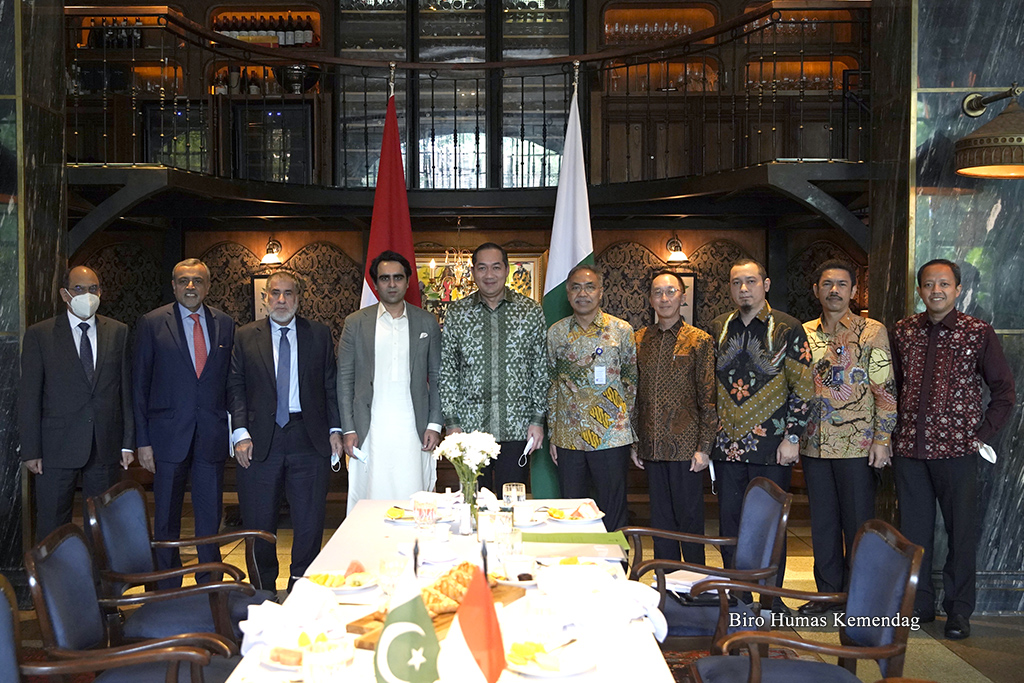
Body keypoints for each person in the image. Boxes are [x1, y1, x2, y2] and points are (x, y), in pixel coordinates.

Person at [891, 259, 1015, 640]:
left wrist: (981, 435)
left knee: (960, 533)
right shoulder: (903, 331)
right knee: (913, 534)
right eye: (929, 284)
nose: (936, 291)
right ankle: (919, 605)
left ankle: (959, 611)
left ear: (958, 290)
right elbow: (893, 386)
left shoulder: (977, 332)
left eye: (944, 284)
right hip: (910, 449)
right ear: (920, 290)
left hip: (958, 451)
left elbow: (1004, 392)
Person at [708, 258, 814, 613]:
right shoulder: (718, 327)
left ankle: (771, 598)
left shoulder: (788, 328)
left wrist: (792, 437)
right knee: (731, 525)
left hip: (772, 447)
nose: (744, 289)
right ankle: (738, 595)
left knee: (769, 525)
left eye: (751, 281)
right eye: (737, 282)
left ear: (765, 285)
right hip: (727, 447)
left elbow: (804, 389)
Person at [227, 270, 343, 592]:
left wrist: (335, 428)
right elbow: (235, 386)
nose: (281, 300)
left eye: (288, 293)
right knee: (259, 520)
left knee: (309, 520)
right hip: (259, 440)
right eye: (275, 293)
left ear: (298, 298)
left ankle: (300, 583)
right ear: (265, 298)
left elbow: (329, 385)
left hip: (309, 437)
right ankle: (263, 589)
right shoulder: (245, 336)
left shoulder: (318, 334)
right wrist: (240, 432)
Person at [798, 259, 897, 615]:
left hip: (858, 445)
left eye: (842, 284)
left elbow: (885, 389)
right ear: (816, 290)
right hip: (814, 445)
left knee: (857, 525)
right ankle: (827, 595)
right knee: (823, 525)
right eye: (827, 284)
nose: (834, 291)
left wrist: (882, 439)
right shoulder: (803, 333)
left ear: (854, 290)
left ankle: (859, 599)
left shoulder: (871, 331)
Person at [133, 258, 235, 585]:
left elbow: (230, 383)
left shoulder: (225, 323)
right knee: (165, 518)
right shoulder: (151, 323)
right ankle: (166, 585)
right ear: (174, 286)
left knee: (210, 516)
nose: (190, 286)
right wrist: (142, 441)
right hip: (166, 437)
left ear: (208, 286)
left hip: (210, 435)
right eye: (183, 281)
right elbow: (139, 386)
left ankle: (210, 585)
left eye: (197, 280)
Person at [19, 266, 134, 541]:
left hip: (104, 444)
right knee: (53, 525)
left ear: (101, 292)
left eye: (93, 289)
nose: (87, 295)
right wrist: (31, 450)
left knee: (104, 525)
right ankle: (56, 572)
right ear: (65, 294)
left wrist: (128, 442)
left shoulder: (118, 332)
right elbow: (29, 396)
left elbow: (125, 391)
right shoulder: (40, 335)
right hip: (55, 447)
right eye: (79, 289)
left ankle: (98, 571)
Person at [338, 250, 442, 512]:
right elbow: (345, 379)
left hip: (414, 428)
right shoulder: (355, 323)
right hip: (370, 428)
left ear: (408, 282)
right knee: (371, 497)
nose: (392, 284)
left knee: (414, 496)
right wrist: (348, 429)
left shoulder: (426, 322)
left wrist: (434, 423)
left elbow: (438, 376)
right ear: (375, 284)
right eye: (385, 278)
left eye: (398, 277)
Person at [439, 243, 547, 493]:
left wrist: (537, 419)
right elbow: (448, 372)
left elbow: (540, 369)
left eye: (496, 267)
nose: (489, 275)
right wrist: (452, 423)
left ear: (507, 270)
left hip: (518, 426)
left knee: (513, 498)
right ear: (473, 272)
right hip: (470, 428)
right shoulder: (457, 313)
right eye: (482, 268)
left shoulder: (530, 311)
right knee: (474, 500)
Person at [632, 271, 716, 562]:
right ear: (650, 299)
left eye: (671, 292)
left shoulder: (699, 341)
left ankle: (694, 580)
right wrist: (635, 442)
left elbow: (708, 398)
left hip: (686, 449)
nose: (664, 298)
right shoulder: (639, 340)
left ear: (683, 297)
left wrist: (705, 448)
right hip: (652, 447)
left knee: (689, 519)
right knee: (660, 523)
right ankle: (665, 578)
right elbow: (634, 395)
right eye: (657, 292)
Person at [547, 265, 637, 532]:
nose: (582, 293)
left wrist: (623, 423)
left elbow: (630, 380)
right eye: (576, 287)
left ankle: (618, 559)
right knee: (571, 512)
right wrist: (553, 433)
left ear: (601, 292)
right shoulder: (556, 333)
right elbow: (551, 385)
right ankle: (576, 559)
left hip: (611, 435)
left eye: (589, 287)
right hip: (569, 437)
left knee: (613, 510)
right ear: (567, 293)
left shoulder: (621, 330)